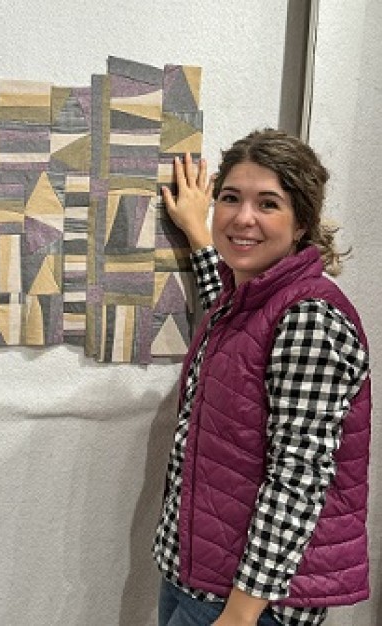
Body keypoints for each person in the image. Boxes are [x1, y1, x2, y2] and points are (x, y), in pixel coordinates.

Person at [153, 129, 371, 626]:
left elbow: (298, 479)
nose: (243, 217)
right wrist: (197, 232)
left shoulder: (309, 319)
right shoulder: (246, 300)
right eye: (231, 198)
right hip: (197, 577)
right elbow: (233, 319)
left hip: (248, 603)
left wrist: (240, 614)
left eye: (267, 203)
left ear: (301, 223)